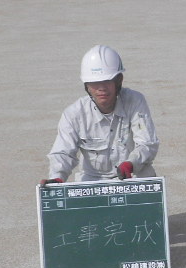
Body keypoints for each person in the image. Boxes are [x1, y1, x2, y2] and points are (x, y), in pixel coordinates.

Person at [43, 45, 158, 185]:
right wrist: (57, 177)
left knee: (147, 176)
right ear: (87, 86)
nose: (102, 88)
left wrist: (131, 163)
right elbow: (63, 152)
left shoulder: (135, 101)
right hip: (92, 181)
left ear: (119, 81)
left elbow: (147, 143)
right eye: (95, 83)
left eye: (107, 81)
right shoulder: (73, 114)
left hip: (132, 175)